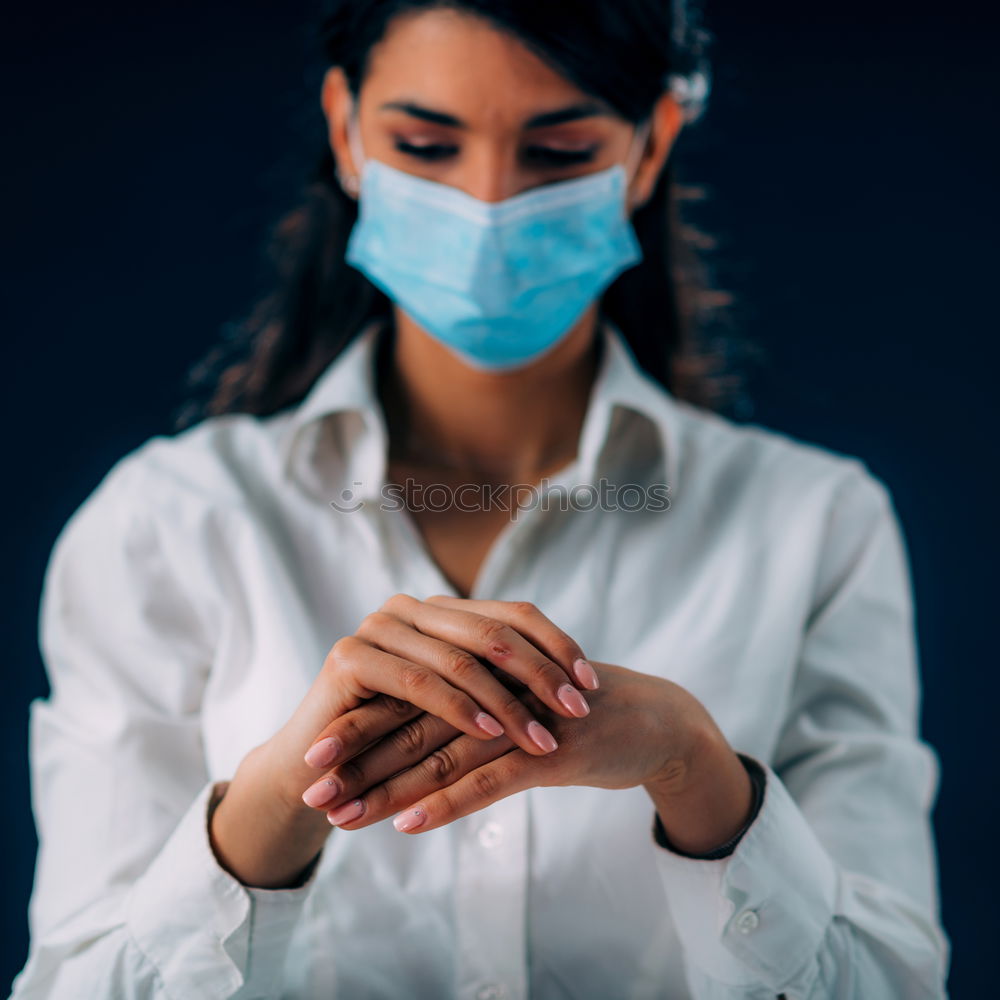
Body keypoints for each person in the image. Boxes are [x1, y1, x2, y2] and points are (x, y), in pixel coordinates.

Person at [12, 1, 950, 998]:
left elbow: (888, 982)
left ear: (650, 147)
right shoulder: (164, 523)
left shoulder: (817, 526)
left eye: (555, 151)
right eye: (424, 143)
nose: (489, 203)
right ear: (345, 130)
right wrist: (278, 795)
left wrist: (695, 770)